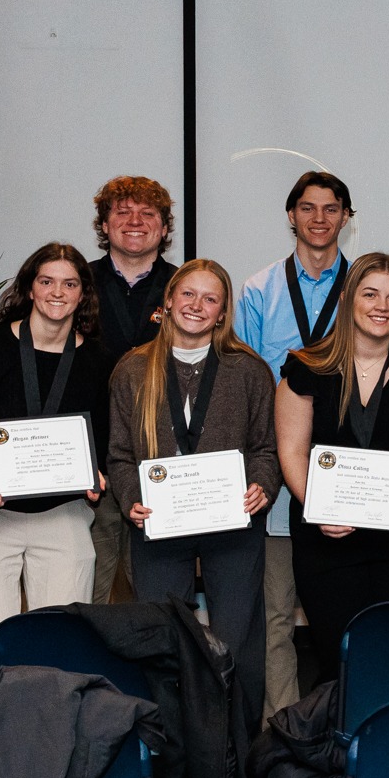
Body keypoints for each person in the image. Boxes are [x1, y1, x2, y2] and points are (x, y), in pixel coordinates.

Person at [108, 259, 279, 736]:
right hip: (158, 523)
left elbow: (265, 447)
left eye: (210, 299)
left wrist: (262, 486)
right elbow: (120, 454)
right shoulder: (132, 370)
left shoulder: (249, 370)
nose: (196, 306)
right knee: (164, 638)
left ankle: (240, 763)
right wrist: (130, 499)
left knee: (237, 641)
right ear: (167, 302)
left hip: (233, 524)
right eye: (187, 295)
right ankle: (174, 755)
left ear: (223, 313)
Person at [276, 253, 389, 683]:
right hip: (328, 540)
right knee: (341, 660)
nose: (382, 306)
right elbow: (292, 452)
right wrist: (320, 508)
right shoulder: (304, 368)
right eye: (370, 294)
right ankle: (341, 749)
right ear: (350, 299)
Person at [0, 243, 114, 664]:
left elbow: (107, 433)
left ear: (82, 294)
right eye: (47, 281)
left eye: (70, 283)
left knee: (63, 641)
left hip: (63, 517)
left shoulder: (96, 359)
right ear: (30, 289)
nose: (58, 292)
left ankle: (53, 724)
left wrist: (99, 474)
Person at [236, 171, 354, 718]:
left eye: (331, 209)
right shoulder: (259, 290)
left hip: (354, 481)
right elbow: (251, 386)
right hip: (286, 486)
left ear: (346, 219)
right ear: (291, 216)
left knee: (349, 619)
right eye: (308, 208)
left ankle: (351, 728)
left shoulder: (366, 289)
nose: (319, 219)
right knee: (277, 618)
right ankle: (280, 735)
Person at [87, 176, 179, 605]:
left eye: (148, 214)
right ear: (104, 225)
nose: (135, 221)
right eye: (122, 211)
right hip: (94, 464)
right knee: (94, 590)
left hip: (165, 460)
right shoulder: (75, 286)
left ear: (164, 227)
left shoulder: (188, 290)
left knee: (159, 597)